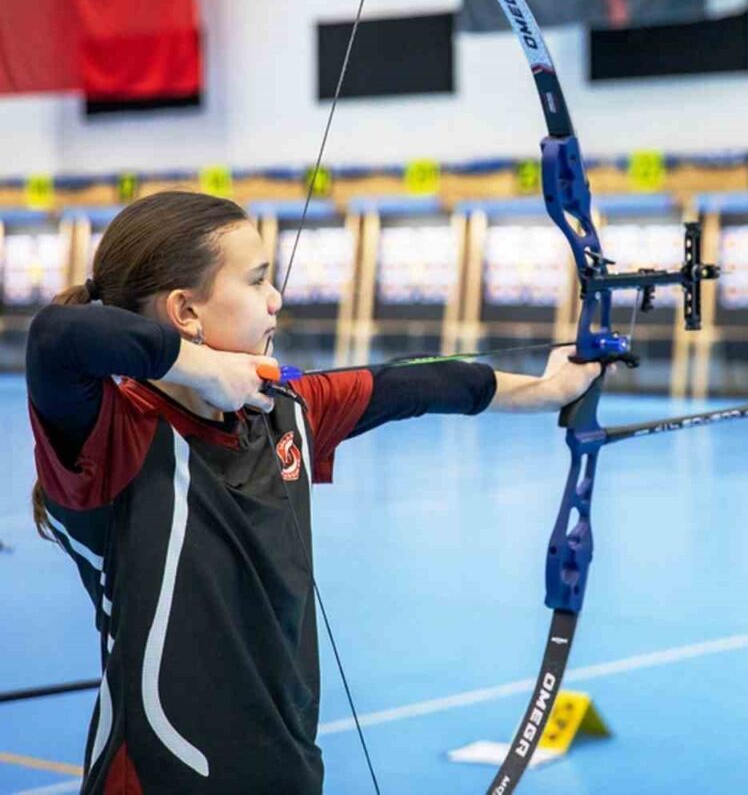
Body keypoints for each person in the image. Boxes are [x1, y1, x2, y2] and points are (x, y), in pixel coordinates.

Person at [26, 190, 601, 794]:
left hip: (288, 772)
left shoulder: (284, 412)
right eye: (256, 281)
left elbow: (416, 384)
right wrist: (202, 369)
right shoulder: (114, 437)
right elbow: (59, 337)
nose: (276, 298)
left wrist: (549, 391)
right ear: (185, 312)